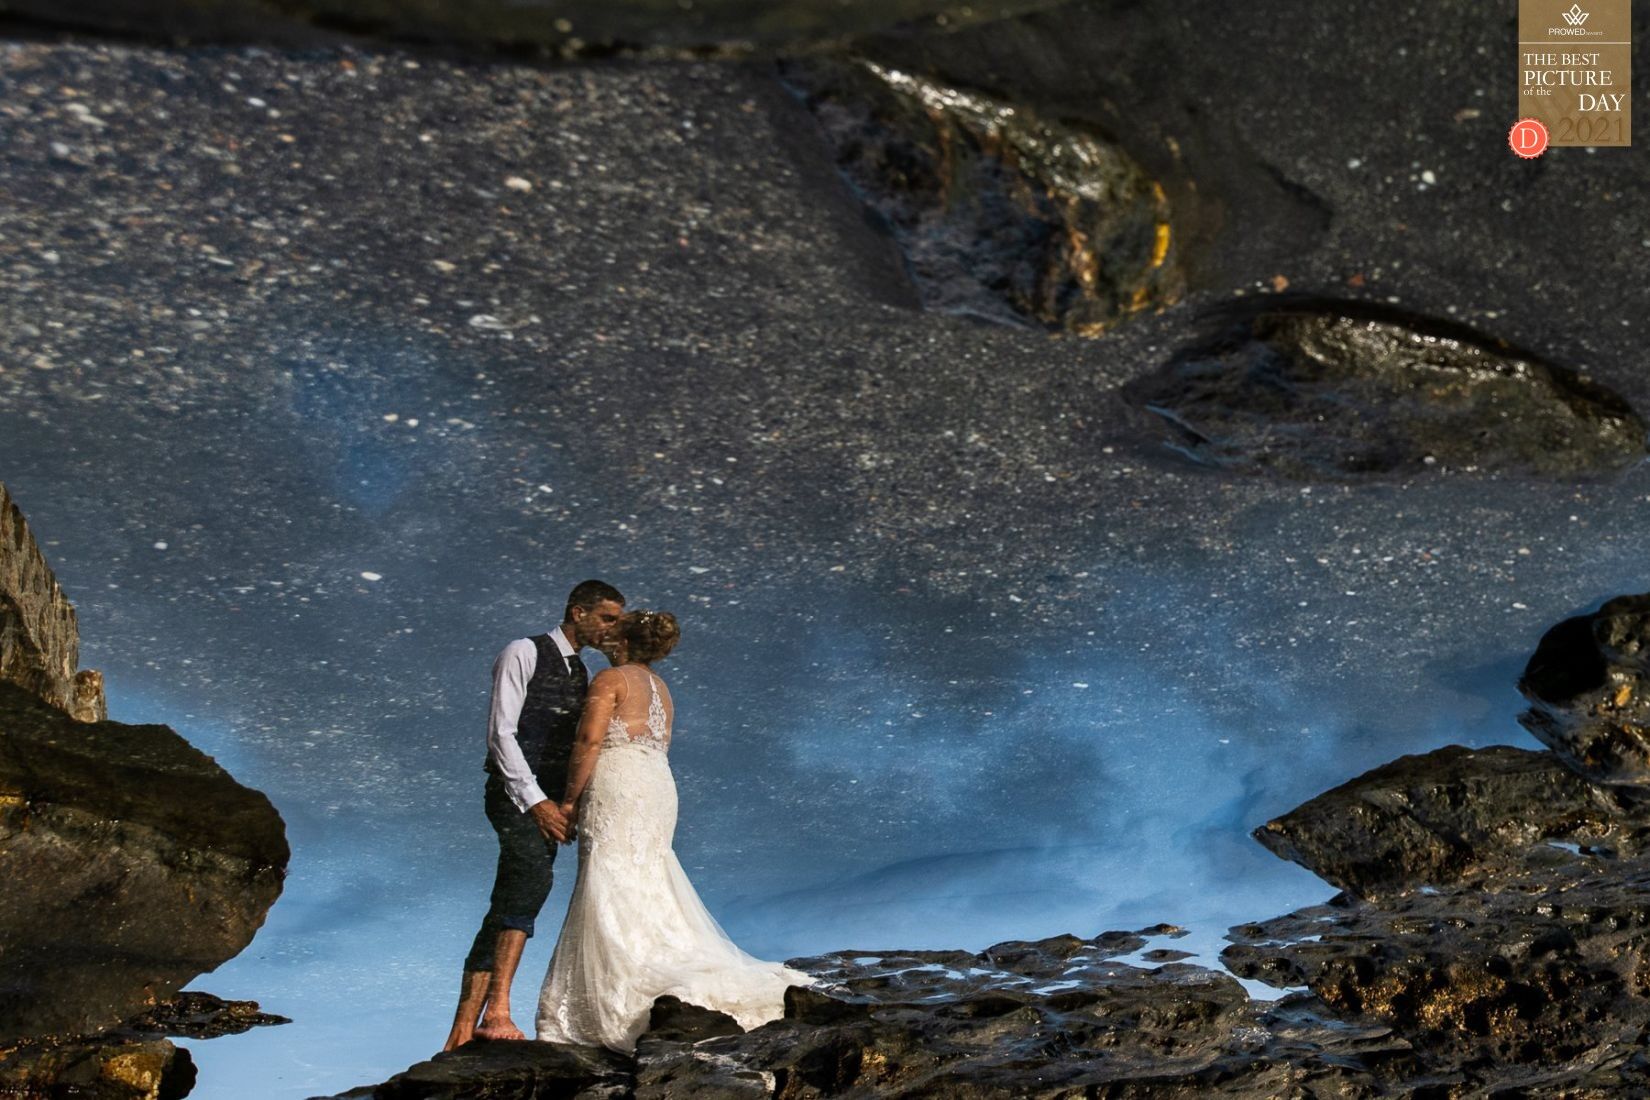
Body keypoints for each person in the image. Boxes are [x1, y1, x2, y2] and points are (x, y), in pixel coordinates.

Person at [535, 609, 814, 1052]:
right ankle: (657, 958)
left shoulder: (610, 681)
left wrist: (568, 800)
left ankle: (615, 991)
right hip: (657, 785)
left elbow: (589, 741)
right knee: (646, 871)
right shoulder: (662, 689)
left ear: (623, 643)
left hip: (620, 781)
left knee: (611, 873)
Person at [442, 579, 626, 1050]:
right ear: (577, 611)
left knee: (509, 896)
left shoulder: (584, 673)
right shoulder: (522, 650)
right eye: (607, 618)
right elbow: (501, 734)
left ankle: (462, 1031)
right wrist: (537, 801)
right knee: (532, 883)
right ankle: (499, 1010)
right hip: (512, 794)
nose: (612, 628)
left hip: (549, 803)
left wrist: (567, 800)